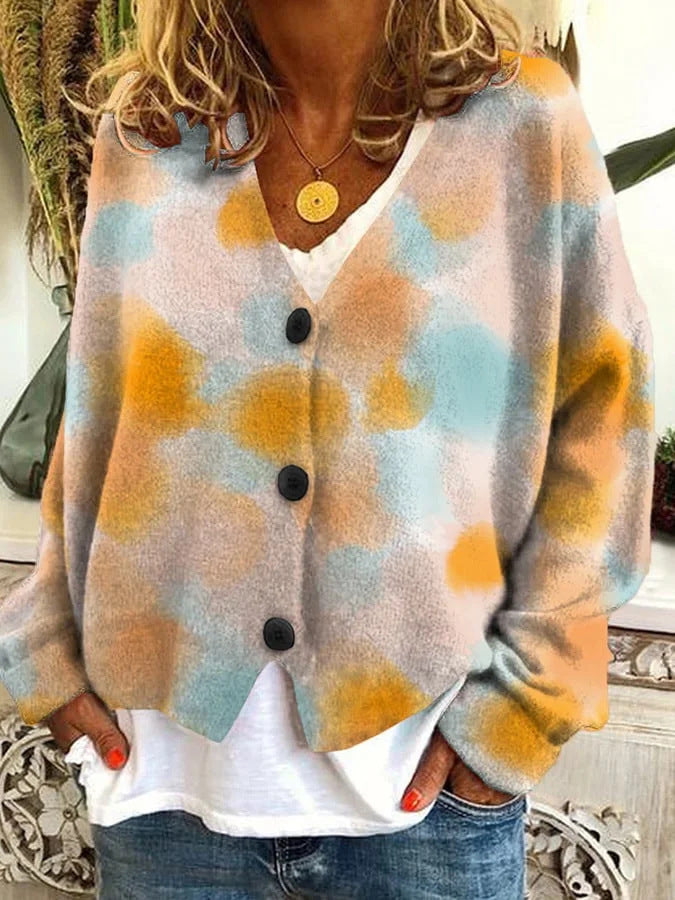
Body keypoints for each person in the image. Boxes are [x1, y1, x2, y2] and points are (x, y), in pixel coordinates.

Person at [0, 0, 655, 897]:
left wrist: (523, 708)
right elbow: (100, 419)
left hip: (424, 815)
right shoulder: (146, 136)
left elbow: (601, 423)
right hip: (165, 805)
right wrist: (44, 642)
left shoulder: (522, 128)